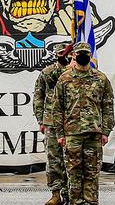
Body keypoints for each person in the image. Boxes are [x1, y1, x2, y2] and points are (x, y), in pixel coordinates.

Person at [53, 42, 114, 205]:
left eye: (85, 53)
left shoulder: (101, 78)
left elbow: (107, 106)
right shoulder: (64, 79)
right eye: (79, 53)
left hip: (94, 134)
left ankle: (91, 202)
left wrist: (106, 131)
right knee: (73, 173)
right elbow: (57, 108)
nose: (82, 56)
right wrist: (60, 134)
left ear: (90, 56)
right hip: (72, 134)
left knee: (92, 173)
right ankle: (76, 202)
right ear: (73, 55)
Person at [34, 43, 72, 205]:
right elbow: (38, 96)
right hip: (51, 123)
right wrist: (40, 120)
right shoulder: (48, 73)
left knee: (71, 160)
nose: (64, 57)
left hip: (72, 122)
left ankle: (70, 193)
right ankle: (56, 193)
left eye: (66, 54)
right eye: (61, 54)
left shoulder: (75, 73)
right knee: (54, 159)